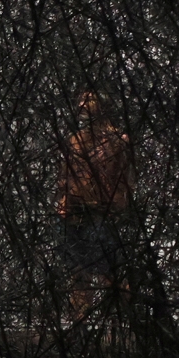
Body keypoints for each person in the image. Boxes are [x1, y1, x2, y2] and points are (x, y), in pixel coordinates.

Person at [57, 91, 136, 318]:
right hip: (74, 213)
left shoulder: (117, 141)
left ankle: (129, 319)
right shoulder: (76, 139)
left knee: (110, 271)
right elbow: (65, 176)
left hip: (102, 213)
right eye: (81, 102)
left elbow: (125, 181)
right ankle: (80, 324)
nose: (83, 106)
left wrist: (115, 207)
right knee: (79, 273)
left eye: (88, 102)